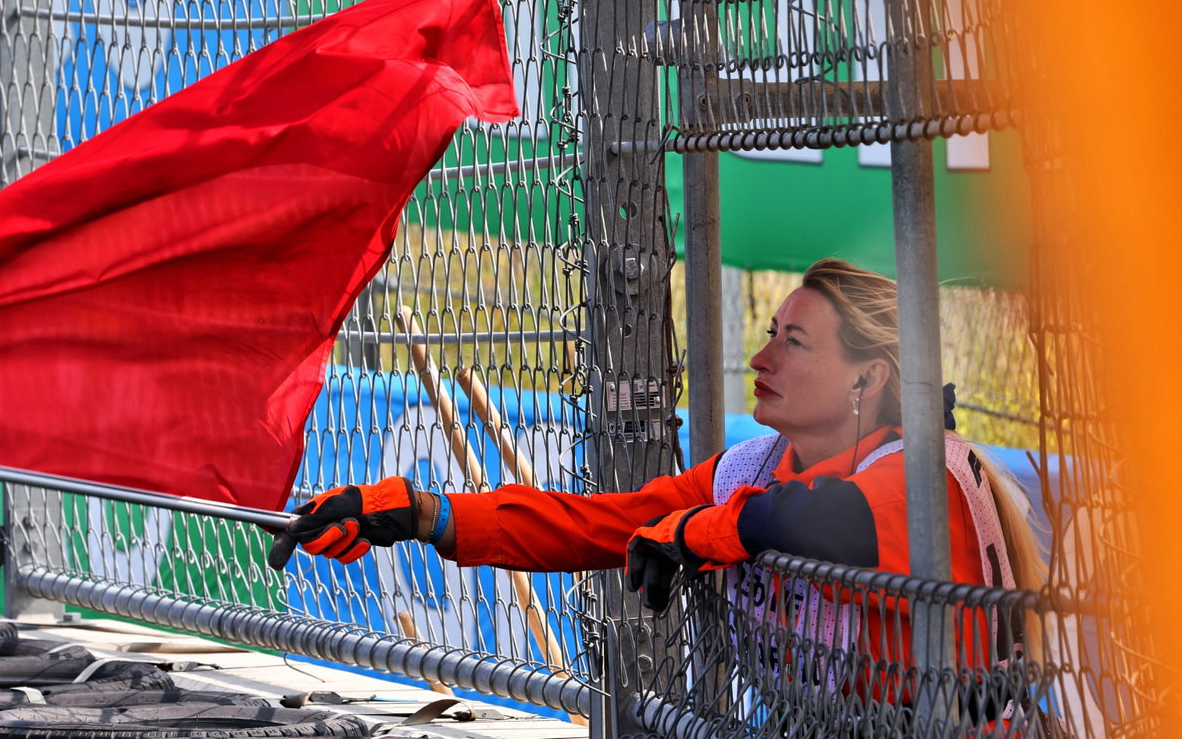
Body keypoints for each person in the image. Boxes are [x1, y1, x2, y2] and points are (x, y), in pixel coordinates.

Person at [267, 258, 1044, 678]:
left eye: (796, 344)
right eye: (770, 332)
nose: (762, 357)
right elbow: (598, 523)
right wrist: (422, 513)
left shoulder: (928, 472)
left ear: (867, 380)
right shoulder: (756, 464)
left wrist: (703, 531)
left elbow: (820, 520)